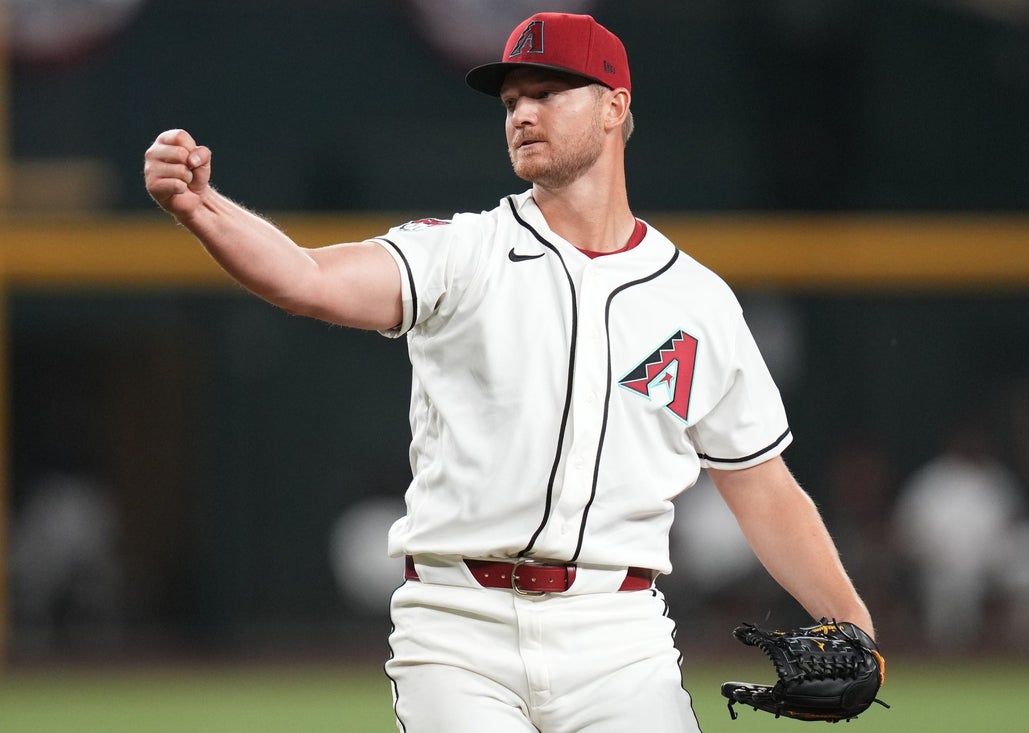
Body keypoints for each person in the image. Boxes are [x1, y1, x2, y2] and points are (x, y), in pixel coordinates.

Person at [144, 12, 874, 733]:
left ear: (614, 107)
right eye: (512, 100)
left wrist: (856, 629)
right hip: (459, 626)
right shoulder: (462, 254)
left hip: (619, 632)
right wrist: (203, 209)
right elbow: (306, 278)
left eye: (547, 92)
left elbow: (762, 487)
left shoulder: (696, 300)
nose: (522, 113)